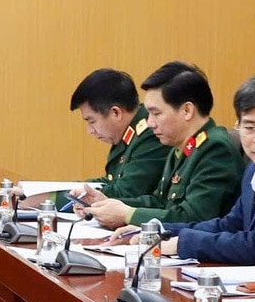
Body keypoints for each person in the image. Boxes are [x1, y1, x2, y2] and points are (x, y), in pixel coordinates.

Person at [150, 72, 255, 274]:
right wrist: (160, 230)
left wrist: (183, 242)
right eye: (249, 127)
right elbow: (232, 224)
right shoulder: (254, 168)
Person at [81, 62, 242, 229]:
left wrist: (127, 214)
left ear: (187, 111)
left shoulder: (215, 149)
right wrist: (107, 203)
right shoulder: (181, 148)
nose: (150, 123)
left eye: (156, 113)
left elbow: (194, 217)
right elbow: (160, 202)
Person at [62, 68, 169, 208]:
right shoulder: (127, 133)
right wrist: (71, 188)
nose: (90, 131)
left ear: (116, 113)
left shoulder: (151, 134)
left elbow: (126, 193)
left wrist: (53, 198)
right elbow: (111, 183)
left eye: (91, 121)